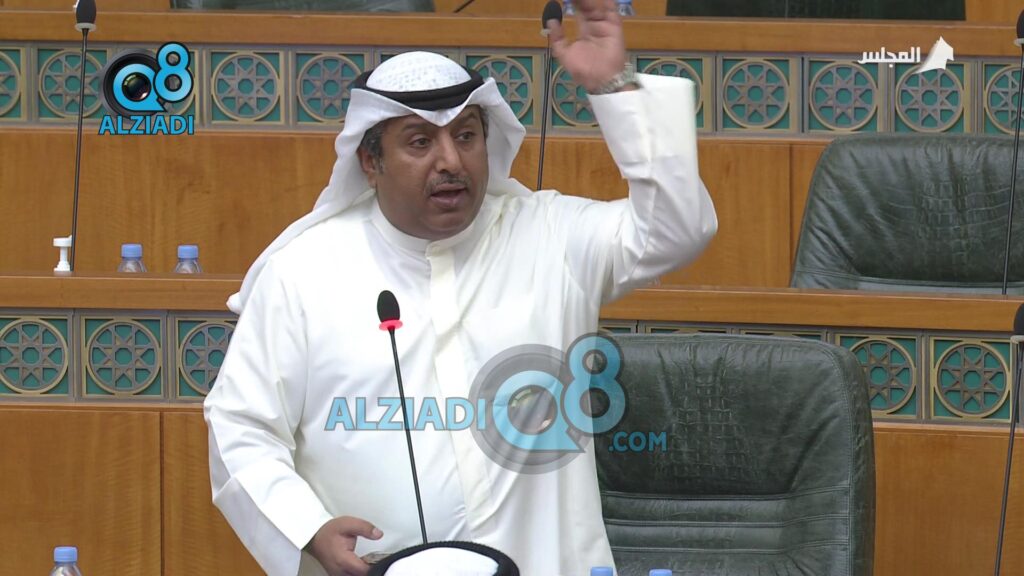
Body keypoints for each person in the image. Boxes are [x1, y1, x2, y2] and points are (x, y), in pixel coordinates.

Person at [204, 1, 718, 574]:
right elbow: (241, 427)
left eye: (466, 136)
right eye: (420, 142)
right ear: (371, 162)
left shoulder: (552, 237)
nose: (450, 160)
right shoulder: (303, 273)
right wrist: (308, 529)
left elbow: (677, 229)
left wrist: (614, 87)